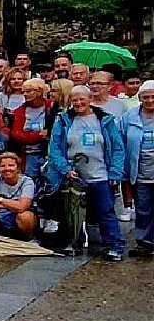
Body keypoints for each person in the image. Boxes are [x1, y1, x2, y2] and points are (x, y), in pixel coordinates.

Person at [46, 85, 127, 262]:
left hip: (100, 174)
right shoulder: (63, 119)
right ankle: (73, 243)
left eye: (82, 99)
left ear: (90, 99)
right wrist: (65, 169)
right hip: (74, 176)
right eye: (75, 100)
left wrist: (115, 173)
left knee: (105, 211)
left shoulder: (105, 120)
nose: (78, 103)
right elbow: (54, 149)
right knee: (73, 213)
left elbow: (118, 149)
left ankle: (115, 246)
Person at [122, 81, 154, 257]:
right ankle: (145, 242)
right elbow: (121, 139)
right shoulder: (130, 116)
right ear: (140, 98)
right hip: (140, 169)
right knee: (143, 208)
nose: (150, 100)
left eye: (153, 97)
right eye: (146, 97)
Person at [0, 152, 38, 241]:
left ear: (17, 167)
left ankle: (29, 239)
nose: (7, 169)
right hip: (1, 216)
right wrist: (12, 205)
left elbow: (22, 207)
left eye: (11, 165)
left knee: (25, 216)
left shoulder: (27, 182)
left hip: (19, 217)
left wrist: (1, 200)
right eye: (3, 166)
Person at [10, 78, 54, 180]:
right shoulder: (20, 111)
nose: (25, 94)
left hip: (48, 153)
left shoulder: (50, 107)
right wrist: (37, 136)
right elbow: (16, 134)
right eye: (23, 92)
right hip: (28, 155)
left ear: (39, 92)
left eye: (28, 91)